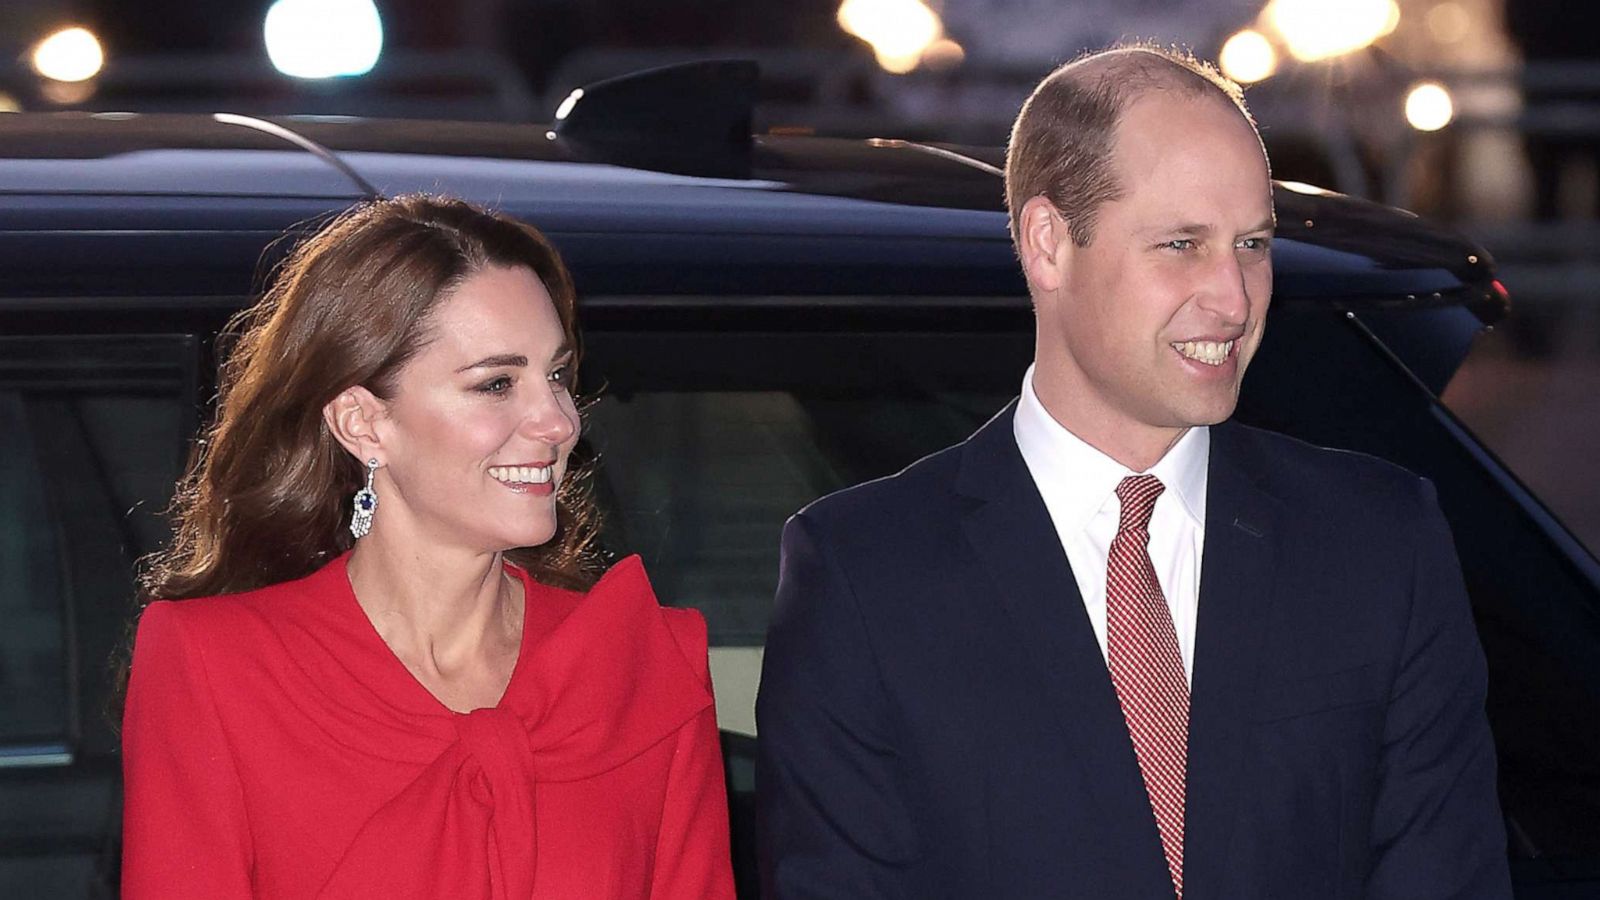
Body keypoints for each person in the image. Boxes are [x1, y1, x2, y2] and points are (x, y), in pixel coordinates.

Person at [756, 46, 1510, 899]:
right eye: (1182, 244)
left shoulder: (1377, 541)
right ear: (1048, 243)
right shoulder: (864, 574)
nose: (1234, 296)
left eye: (1253, 243)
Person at [120, 195, 736, 899]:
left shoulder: (636, 666)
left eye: (558, 374)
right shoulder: (217, 668)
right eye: (496, 383)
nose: (558, 420)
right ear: (363, 424)